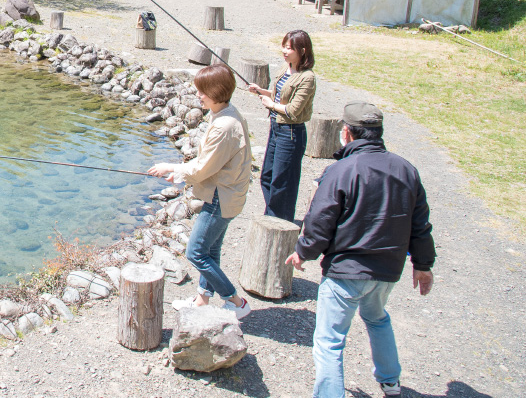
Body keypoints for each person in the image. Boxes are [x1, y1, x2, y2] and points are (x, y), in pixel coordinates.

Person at [287, 102, 435, 398]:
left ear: (347, 133)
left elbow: (320, 220)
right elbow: (420, 224)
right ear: (378, 133)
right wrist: (423, 264)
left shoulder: (341, 170)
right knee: (378, 319)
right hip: (386, 271)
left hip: (346, 271)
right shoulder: (407, 169)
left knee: (329, 341)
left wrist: (303, 251)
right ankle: (391, 382)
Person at [146, 64, 253, 319]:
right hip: (227, 193)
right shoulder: (227, 113)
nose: (198, 96)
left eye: (202, 92)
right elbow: (212, 164)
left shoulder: (224, 126)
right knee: (211, 250)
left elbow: (204, 167)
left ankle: (237, 303)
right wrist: (179, 173)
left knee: (195, 252)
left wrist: (171, 168)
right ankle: (203, 300)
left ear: (215, 92)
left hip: (221, 198)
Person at [248, 29, 316, 220]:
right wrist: (261, 91)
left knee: (283, 181)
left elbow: (293, 110)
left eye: (289, 48)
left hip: (292, 132)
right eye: (284, 47)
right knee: (267, 177)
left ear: (302, 50)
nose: (284, 51)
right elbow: (279, 94)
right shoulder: (285, 68)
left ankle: (280, 221)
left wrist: (271, 105)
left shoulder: (307, 78)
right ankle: (272, 217)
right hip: (276, 128)